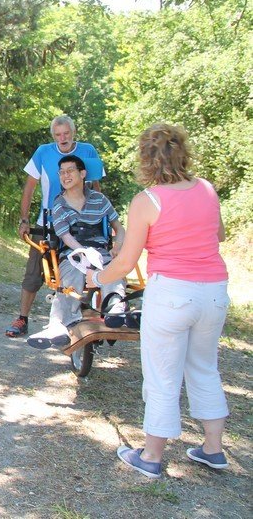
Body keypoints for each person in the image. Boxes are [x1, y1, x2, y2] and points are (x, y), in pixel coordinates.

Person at [86, 124, 230, 479]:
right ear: (184, 152)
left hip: (172, 294)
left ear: (146, 159)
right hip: (214, 290)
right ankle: (213, 449)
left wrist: (98, 278)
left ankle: (151, 456)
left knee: (162, 375)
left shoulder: (147, 201)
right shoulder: (208, 190)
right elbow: (219, 234)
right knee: (205, 368)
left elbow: (125, 261)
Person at [7, 114, 103, 338]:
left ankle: (83, 317)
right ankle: (22, 318)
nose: (62, 138)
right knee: (34, 273)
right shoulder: (43, 152)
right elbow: (29, 189)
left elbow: (97, 189)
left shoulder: (88, 151)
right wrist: (24, 219)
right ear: (53, 136)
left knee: (83, 269)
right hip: (47, 223)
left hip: (81, 224)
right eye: (58, 134)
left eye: (66, 133)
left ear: (73, 133)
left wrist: (102, 221)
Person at [27, 155, 126, 349]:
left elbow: (119, 228)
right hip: (72, 251)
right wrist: (82, 252)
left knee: (111, 268)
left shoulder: (99, 199)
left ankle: (115, 309)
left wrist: (117, 246)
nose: (65, 175)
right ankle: (59, 323)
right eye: (62, 172)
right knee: (71, 274)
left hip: (100, 251)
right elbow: (65, 237)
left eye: (70, 171)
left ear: (82, 174)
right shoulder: (59, 204)